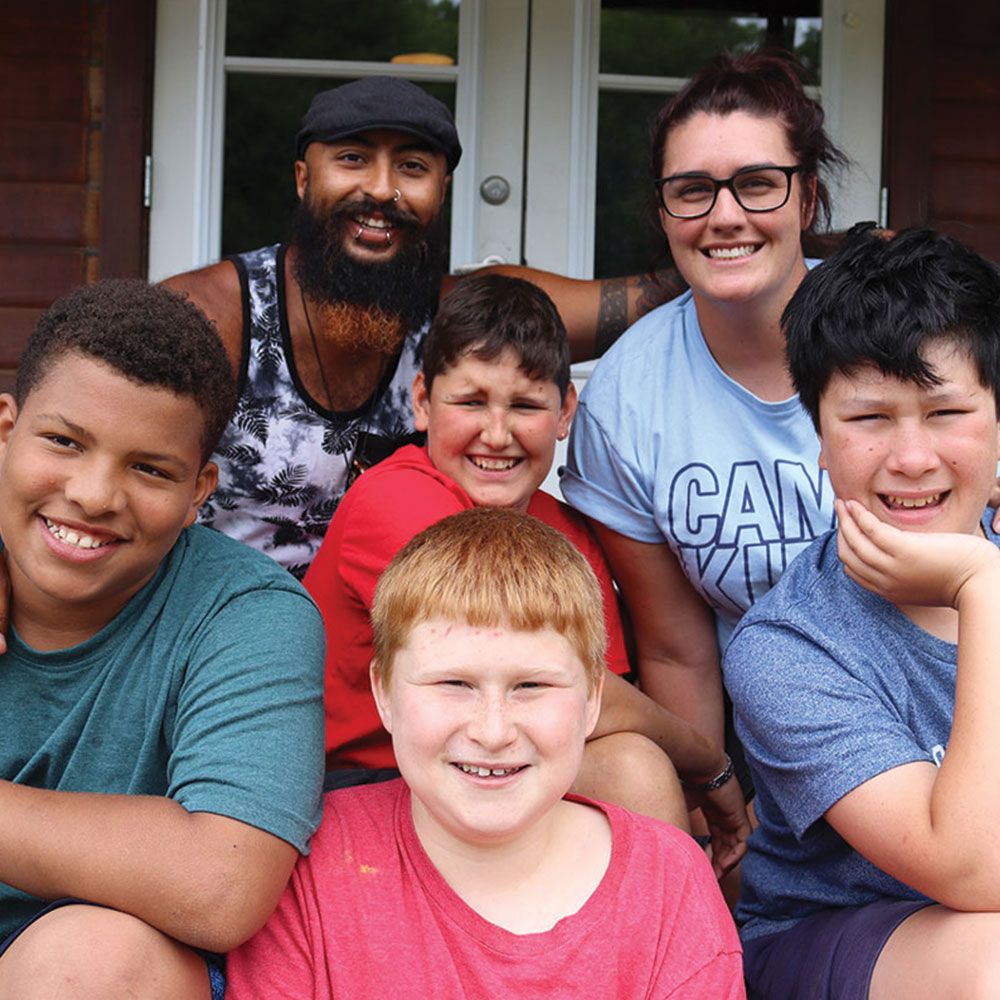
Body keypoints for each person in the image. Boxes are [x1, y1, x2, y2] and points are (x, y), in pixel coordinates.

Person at [304, 273, 750, 870]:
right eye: (470, 402)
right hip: (364, 780)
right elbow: (556, 678)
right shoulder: (395, 500)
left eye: (525, 404)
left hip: (498, 758)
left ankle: (678, 954)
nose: (496, 434)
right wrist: (708, 765)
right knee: (637, 771)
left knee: (631, 763)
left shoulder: (566, 532)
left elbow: (593, 703)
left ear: (565, 411)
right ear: (420, 402)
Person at [162, 75, 687, 577]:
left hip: (416, 639)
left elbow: (656, 295)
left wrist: (740, 237)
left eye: (412, 167)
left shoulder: (465, 320)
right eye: (352, 159)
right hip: (226, 638)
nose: (383, 188)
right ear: (304, 178)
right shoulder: (213, 313)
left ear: (442, 190)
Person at [227, 507, 746, 999]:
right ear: (384, 693)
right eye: (454, 683)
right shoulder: (308, 868)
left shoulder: (669, 879)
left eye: (531, 686)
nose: (493, 731)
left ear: (592, 700)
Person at [0, 281, 325, 1000]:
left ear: (198, 492)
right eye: (63, 441)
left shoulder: (245, 614)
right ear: (4, 429)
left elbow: (222, 882)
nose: (93, 494)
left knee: (91, 960)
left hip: (85, 968)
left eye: (149, 469)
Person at [723, 227, 1000, 998]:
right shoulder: (787, 647)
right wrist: (986, 588)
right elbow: (973, 870)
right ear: (817, 434)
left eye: (946, 412)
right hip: (839, 944)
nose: (912, 458)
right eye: (871, 418)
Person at [561, 51, 849, 788]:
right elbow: (678, 648)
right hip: (768, 734)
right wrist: (713, 800)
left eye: (757, 184)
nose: (724, 217)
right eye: (693, 191)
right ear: (664, 212)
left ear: (806, 198)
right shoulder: (629, 396)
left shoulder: (898, 334)